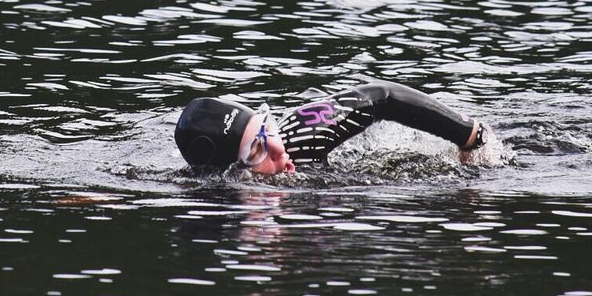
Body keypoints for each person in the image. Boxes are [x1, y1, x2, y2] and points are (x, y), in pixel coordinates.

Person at [174, 80, 489, 174]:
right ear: (232, 171)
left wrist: (469, 136)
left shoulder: (298, 136)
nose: (277, 147)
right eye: (257, 151)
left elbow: (382, 96)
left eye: (266, 129)